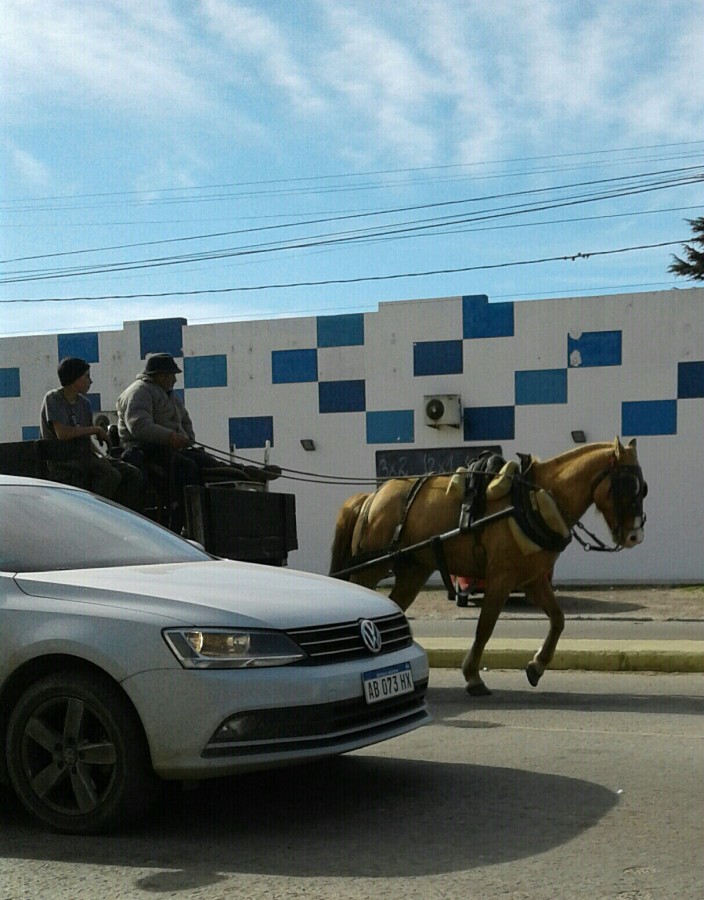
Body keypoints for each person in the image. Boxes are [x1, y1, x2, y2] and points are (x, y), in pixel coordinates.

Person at [116, 352, 279, 531]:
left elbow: (184, 419)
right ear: (161, 375)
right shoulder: (139, 392)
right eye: (172, 375)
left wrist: (187, 439)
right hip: (147, 449)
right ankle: (180, 518)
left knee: (206, 460)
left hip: (172, 448)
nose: (175, 380)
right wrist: (170, 437)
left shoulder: (168, 394)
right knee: (186, 467)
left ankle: (244, 471)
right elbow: (139, 426)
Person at [40, 357, 144, 511]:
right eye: (87, 376)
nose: (91, 381)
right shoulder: (53, 399)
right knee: (110, 475)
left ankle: (120, 514)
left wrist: (101, 456)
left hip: (84, 457)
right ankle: (93, 512)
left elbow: (85, 441)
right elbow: (62, 433)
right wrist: (95, 429)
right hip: (63, 460)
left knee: (132, 474)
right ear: (75, 379)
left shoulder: (84, 404)